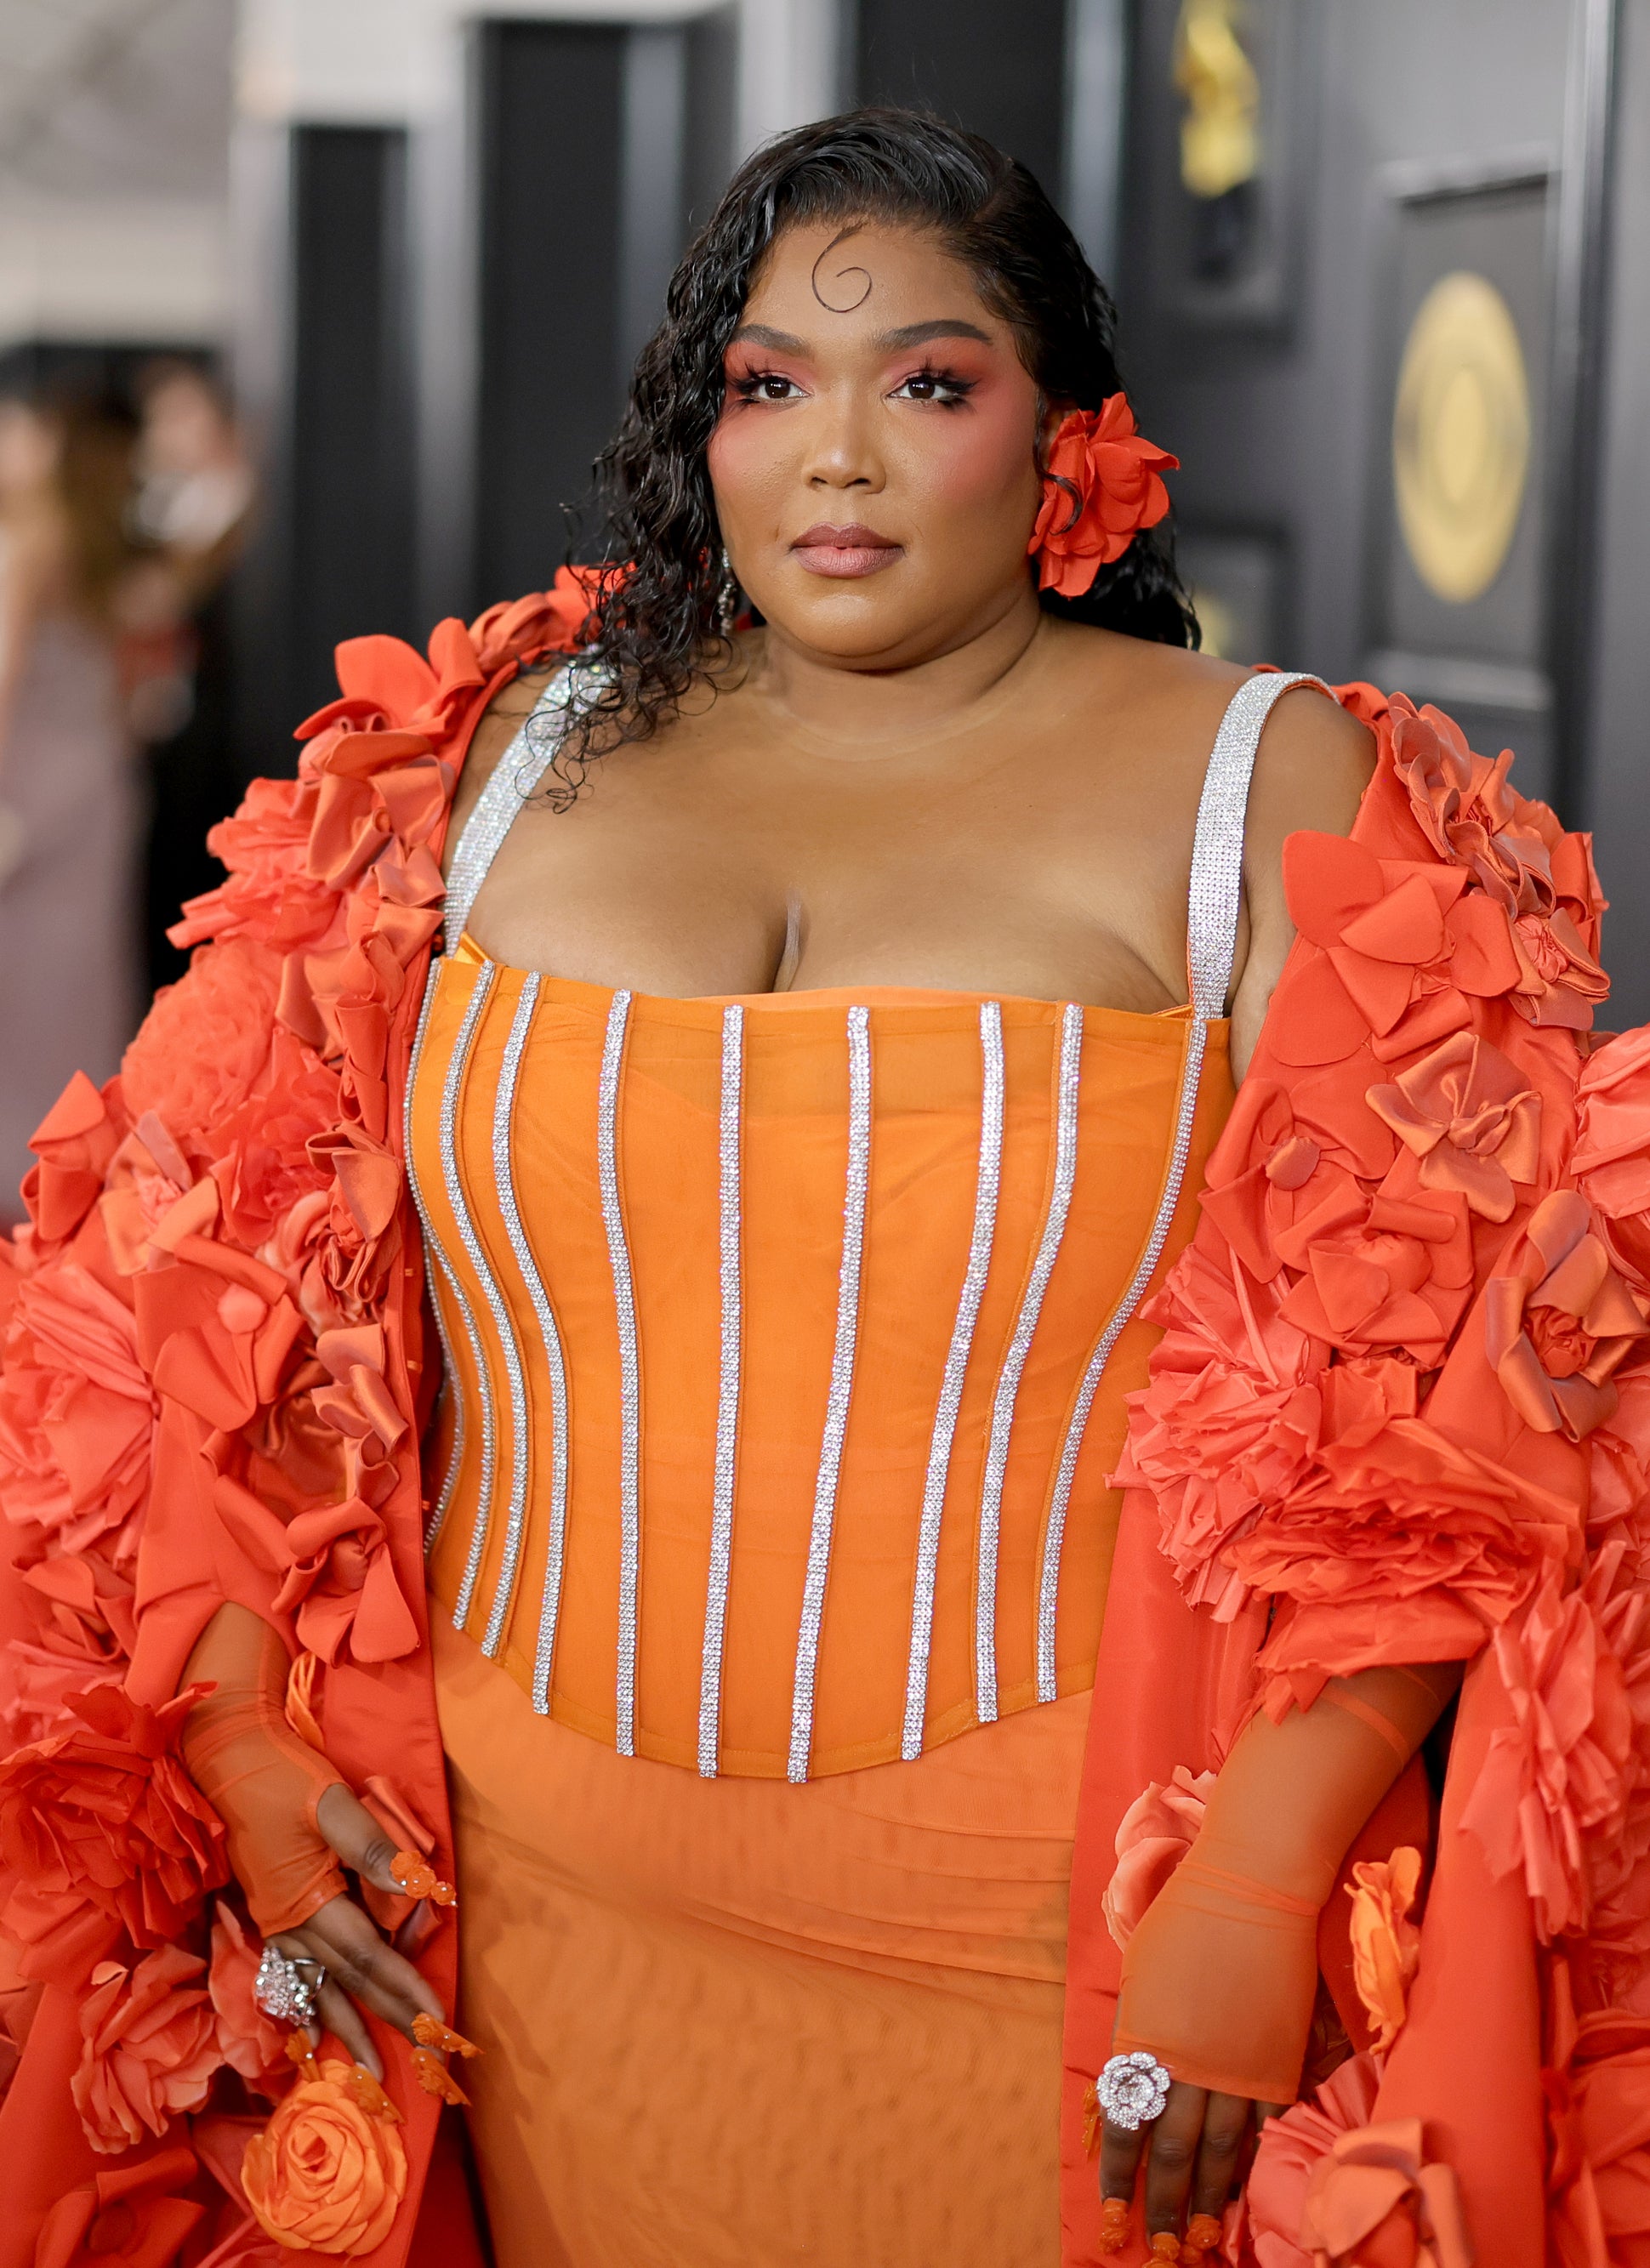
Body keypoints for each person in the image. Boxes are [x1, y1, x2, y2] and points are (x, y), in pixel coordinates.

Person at [0, 108, 1644, 2268]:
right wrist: (228, 1728)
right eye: (771, 385)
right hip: (499, 1936)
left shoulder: (1274, 785)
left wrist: (1258, 1883)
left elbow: (1453, 1397)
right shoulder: (487, 759)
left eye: (929, 385)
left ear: (1067, 438)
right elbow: (220, 1280)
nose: (836, 457)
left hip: (1049, 1961)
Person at [0, 392, 141, 1220]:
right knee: (78, 990)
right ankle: (75, 1167)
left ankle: (29, 1177)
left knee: (32, 997)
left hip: (35, 808)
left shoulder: (27, 547)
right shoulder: (87, 547)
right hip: (93, 798)